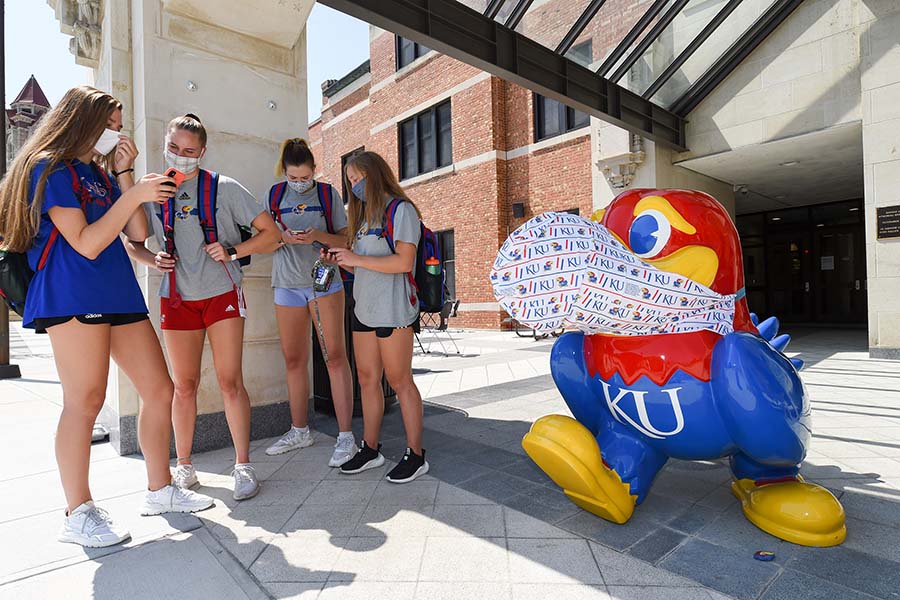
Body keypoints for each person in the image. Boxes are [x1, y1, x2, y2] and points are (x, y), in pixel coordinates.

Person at [0, 86, 214, 548]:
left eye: (119, 125)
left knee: (160, 389)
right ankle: (77, 513)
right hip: (73, 294)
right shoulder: (49, 168)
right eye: (111, 124)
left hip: (118, 291)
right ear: (84, 121)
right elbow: (88, 242)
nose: (117, 132)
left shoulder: (97, 173)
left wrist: (124, 176)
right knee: (86, 400)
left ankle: (160, 490)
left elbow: (137, 231)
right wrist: (134, 191)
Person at [126, 114, 280, 500]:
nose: (180, 157)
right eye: (174, 148)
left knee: (230, 381)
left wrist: (233, 250)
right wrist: (152, 259)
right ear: (165, 145)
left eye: (189, 151)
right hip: (177, 297)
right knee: (184, 385)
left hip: (222, 293)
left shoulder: (223, 188)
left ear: (203, 152)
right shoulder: (152, 191)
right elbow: (132, 242)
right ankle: (185, 466)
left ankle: (243, 466)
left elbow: (271, 234)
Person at [325, 151, 429, 484]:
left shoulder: (401, 210)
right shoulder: (360, 216)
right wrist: (341, 259)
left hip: (394, 310)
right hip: (364, 309)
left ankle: (416, 455)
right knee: (368, 380)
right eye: (350, 180)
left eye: (358, 178)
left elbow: (402, 263)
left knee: (399, 382)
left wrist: (356, 257)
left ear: (375, 174)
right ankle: (371, 449)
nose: (354, 185)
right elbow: (362, 264)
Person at [261, 138, 356, 466]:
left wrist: (317, 236)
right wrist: (281, 239)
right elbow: (262, 242)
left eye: (304, 177)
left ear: (314, 171)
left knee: (334, 358)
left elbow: (346, 240)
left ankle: (346, 438)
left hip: (324, 284)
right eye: (293, 177)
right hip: (286, 285)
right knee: (293, 360)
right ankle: (299, 430)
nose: (299, 183)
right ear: (284, 172)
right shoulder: (274, 195)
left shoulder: (328, 194)